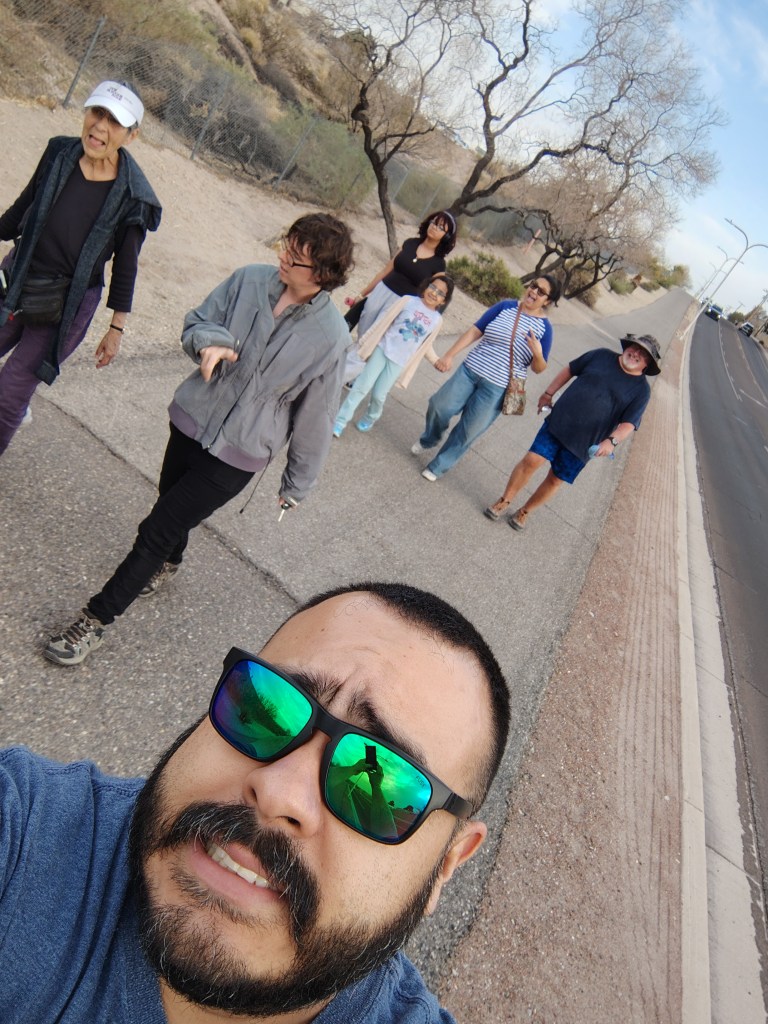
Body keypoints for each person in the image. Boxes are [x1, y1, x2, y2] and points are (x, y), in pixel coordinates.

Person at [1, 582, 511, 1024]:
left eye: (382, 790)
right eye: (263, 709)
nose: (277, 792)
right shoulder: (27, 832)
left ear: (447, 862)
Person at [43, 214, 354, 666]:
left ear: (324, 275)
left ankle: (96, 621)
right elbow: (198, 320)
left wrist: (296, 483)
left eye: (297, 257)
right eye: (287, 246)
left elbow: (318, 415)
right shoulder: (250, 279)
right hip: (192, 417)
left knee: (157, 527)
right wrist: (209, 343)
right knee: (170, 501)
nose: (283, 258)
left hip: (240, 452)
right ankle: (171, 561)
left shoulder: (331, 338)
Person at [0, 80, 161, 456]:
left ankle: (13, 411)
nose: (100, 127)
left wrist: (116, 327)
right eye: (97, 113)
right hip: (18, 276)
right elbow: (25, 206)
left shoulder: (135, 197)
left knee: (10, 389)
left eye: (114, 121)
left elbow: (126, 266)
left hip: (65, 305)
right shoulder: (59, 152)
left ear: (131, 135)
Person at [483, 333, 661, 531]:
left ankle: (525, 511)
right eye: (635, 347)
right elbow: (570, 370)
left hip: (586, 443)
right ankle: (505, 500)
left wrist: (611, 442)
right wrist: (548, 393)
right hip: (560, 422)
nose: (635, 353)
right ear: (627, 346)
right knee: (532, 460)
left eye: (642, 354)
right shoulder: (601, 356)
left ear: (647, 364)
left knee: (555, 478)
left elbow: (629, 423)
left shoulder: (641, 391)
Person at [411, 275, 560, 481]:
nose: (534, 292)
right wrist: (450, 355)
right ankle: (430, 438)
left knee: (468, 431)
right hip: (470, 371)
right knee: (439, 405)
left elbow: (539, 368)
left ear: (548, 301)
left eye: (541, 292)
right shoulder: (506, 306)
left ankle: (438, 466)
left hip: (498, 388)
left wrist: (537, 353)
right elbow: (475, 330)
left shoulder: (545, 329)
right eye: (534, 286)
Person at [333, 274, 454, 437]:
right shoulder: (408, 301)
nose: (434, 293)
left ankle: (371, 416)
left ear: (443, 301)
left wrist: (436, 361)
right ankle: (340, 421)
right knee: (361, 386)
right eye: (433, 287)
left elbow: (426, 345)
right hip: (382, 349)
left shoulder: (436, 320)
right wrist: (367, 340)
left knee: (378, 395)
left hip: (399, 361)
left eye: (440, 293)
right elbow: (384, 321)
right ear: (426, 286)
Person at [343, 210, 457, 382]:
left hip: (401, 304)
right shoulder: (410, 243)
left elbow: (433, 293)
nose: (435, 228)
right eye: (434, 222)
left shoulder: (438, 264)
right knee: (363, 332)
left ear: (446, 236)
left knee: (374, 339)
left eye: (441, 228)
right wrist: (362, 293)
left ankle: (344, 377)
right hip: (382, 292)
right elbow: (385, 270)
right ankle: (356, 373)